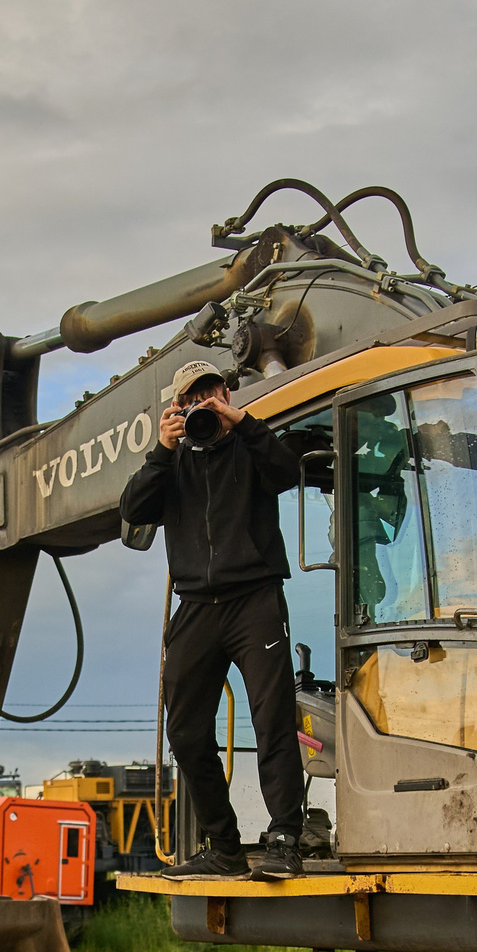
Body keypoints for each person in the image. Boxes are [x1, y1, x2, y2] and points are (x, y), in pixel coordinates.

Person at [118, 359, 307, 879]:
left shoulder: (251, 447)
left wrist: (241, 422)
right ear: (177, 406)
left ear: (225, 392)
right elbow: (133, 508)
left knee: (272, 721)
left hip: (255, 600)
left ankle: (286, 839)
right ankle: (223, 848)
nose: (203, 403)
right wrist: (163, 447)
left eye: (211, 392)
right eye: (192, 397)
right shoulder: (171, 461)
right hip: (197, 606)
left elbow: (288, 473)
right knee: (183, 730)